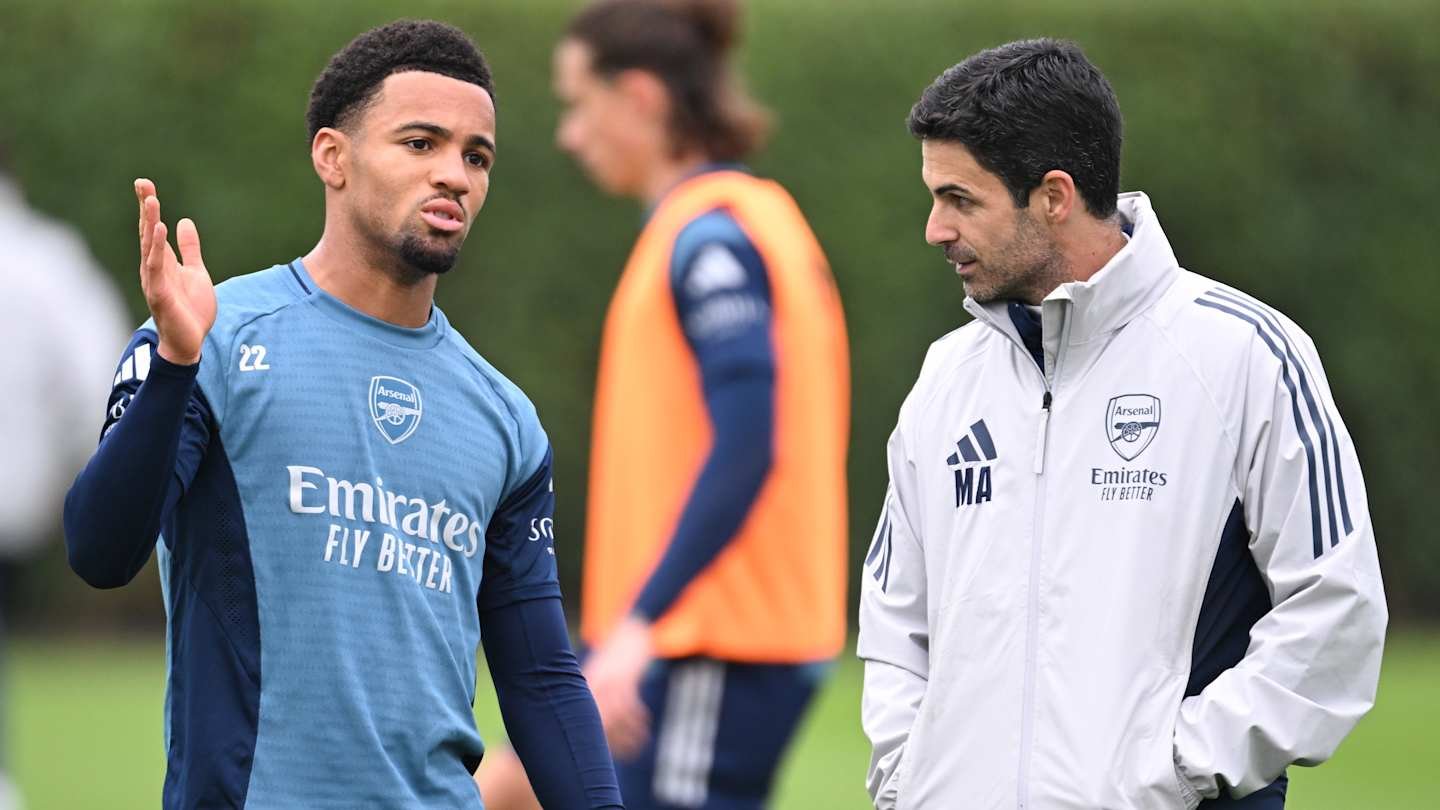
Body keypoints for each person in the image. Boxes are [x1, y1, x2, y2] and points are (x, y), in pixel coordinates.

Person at [62, 20, 621, 809]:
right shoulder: (214, 341)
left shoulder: (506, 419)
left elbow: (540, 678)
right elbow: (99, 549)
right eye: (421, 143)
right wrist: (176, 369)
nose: (455, 175)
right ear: (334, 157)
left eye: (476, 155)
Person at [858, 39, 1386, 810]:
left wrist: (1176, 768)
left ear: (1054, 196)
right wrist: (910, 781)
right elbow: (895, 622)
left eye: (960, 199)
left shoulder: (1245, 354)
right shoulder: (946, 377)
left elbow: (1336, 610)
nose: (935, 229)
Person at [478, 1, 850, 808]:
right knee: (500, 790)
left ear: (640, 98)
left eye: (579, 102)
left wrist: (642, 625)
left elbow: (751, 440)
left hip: (709, 646)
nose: (570, 134)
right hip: (671, 641)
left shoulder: (714, 238)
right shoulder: (725, 224)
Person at [0, 153, 131, 810]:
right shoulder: (46, 260)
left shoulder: (42, 260)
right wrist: (77, 486)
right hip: (16, 505)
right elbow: (100, 385)